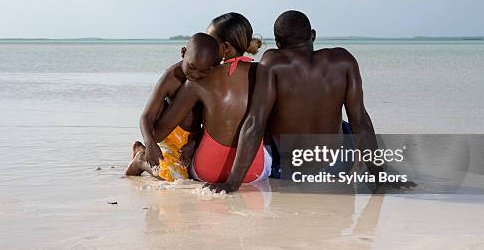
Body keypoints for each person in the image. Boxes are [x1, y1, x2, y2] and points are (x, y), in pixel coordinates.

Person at [206, 10, 416, 192]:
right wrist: (378, 176)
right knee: (349, 125)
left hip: (289, 170)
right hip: (338, 166)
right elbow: (360, 121)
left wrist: (232, 183)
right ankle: (378, 168)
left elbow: (255, 124)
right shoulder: (344, 60)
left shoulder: (273, 61)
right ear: (313, 35)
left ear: (279, 44)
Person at [136, 13, 269, 184]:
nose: (207, 47)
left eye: (211, 41)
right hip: (255, 173)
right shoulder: (264, 72)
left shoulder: (201, 80)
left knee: (177, 171)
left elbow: (160, 132)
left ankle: (140, 157)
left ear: (225, 48)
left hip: (206, 171)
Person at [125, 33, 221, 180]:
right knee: (174, 178)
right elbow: (147, 116)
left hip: (192, 139)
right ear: (183, 53)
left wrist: (194, 143)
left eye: (203, 71)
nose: (195, 74)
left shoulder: (209, 79)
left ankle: (141, 150)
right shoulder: (171, 78)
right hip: (169, 137)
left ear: (213, 66)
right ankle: (141, 160)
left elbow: (211, 121)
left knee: (202, 173)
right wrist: (150, 143)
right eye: (192, 67)